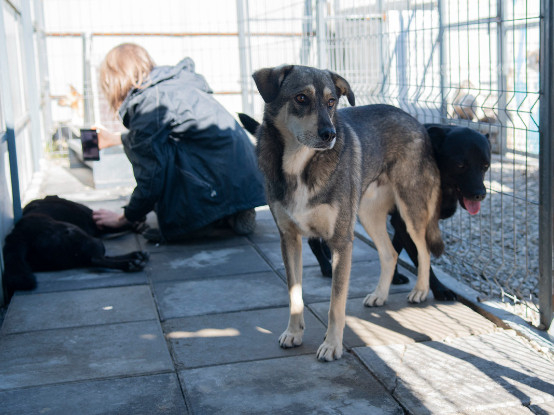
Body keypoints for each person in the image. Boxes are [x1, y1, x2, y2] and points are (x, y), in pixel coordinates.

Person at [92, 43, 266, 242]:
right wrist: (116, 139)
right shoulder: (176, 86)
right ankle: (235, 210)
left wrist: (125, 218)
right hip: (247, 180)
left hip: (218, 184)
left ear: (114, 80)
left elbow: (150, 176)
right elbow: (158, 138)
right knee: (168, 150)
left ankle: (204, 221)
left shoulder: (150, 103)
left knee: (159, 166)